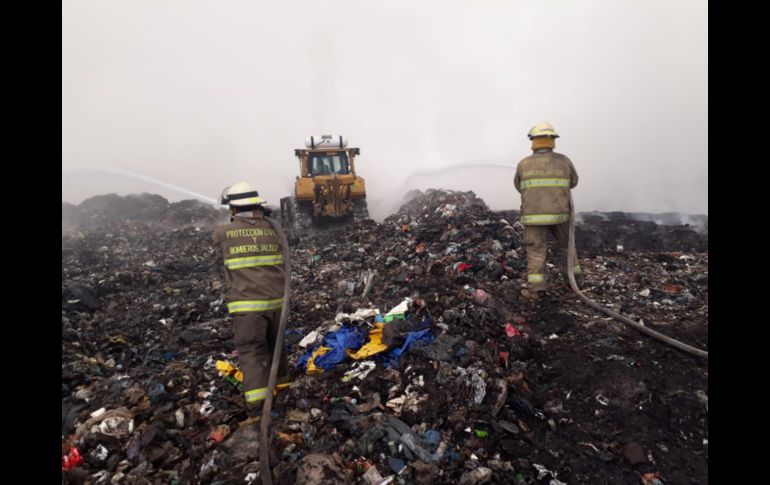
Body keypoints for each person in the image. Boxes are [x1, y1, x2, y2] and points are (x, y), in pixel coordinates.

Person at [212, 182, 289, 424]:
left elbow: (216, 245)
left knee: (252, 352)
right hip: (278, 302)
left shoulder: (223, 232)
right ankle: (284, 392)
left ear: (234, 209)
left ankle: (257, 410)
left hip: (247, 307)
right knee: (277, 346)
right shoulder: (274, 230)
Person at [514, 122, 582, 300]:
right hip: (561, 215)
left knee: (536, 252)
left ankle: (536, 290)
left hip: (533, 218)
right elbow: (573, 182)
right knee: (567, 247)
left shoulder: (523, 164)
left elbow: (519, 186)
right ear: (552, 140)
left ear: (533, 141)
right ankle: (575, 282)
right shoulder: (564, 161)